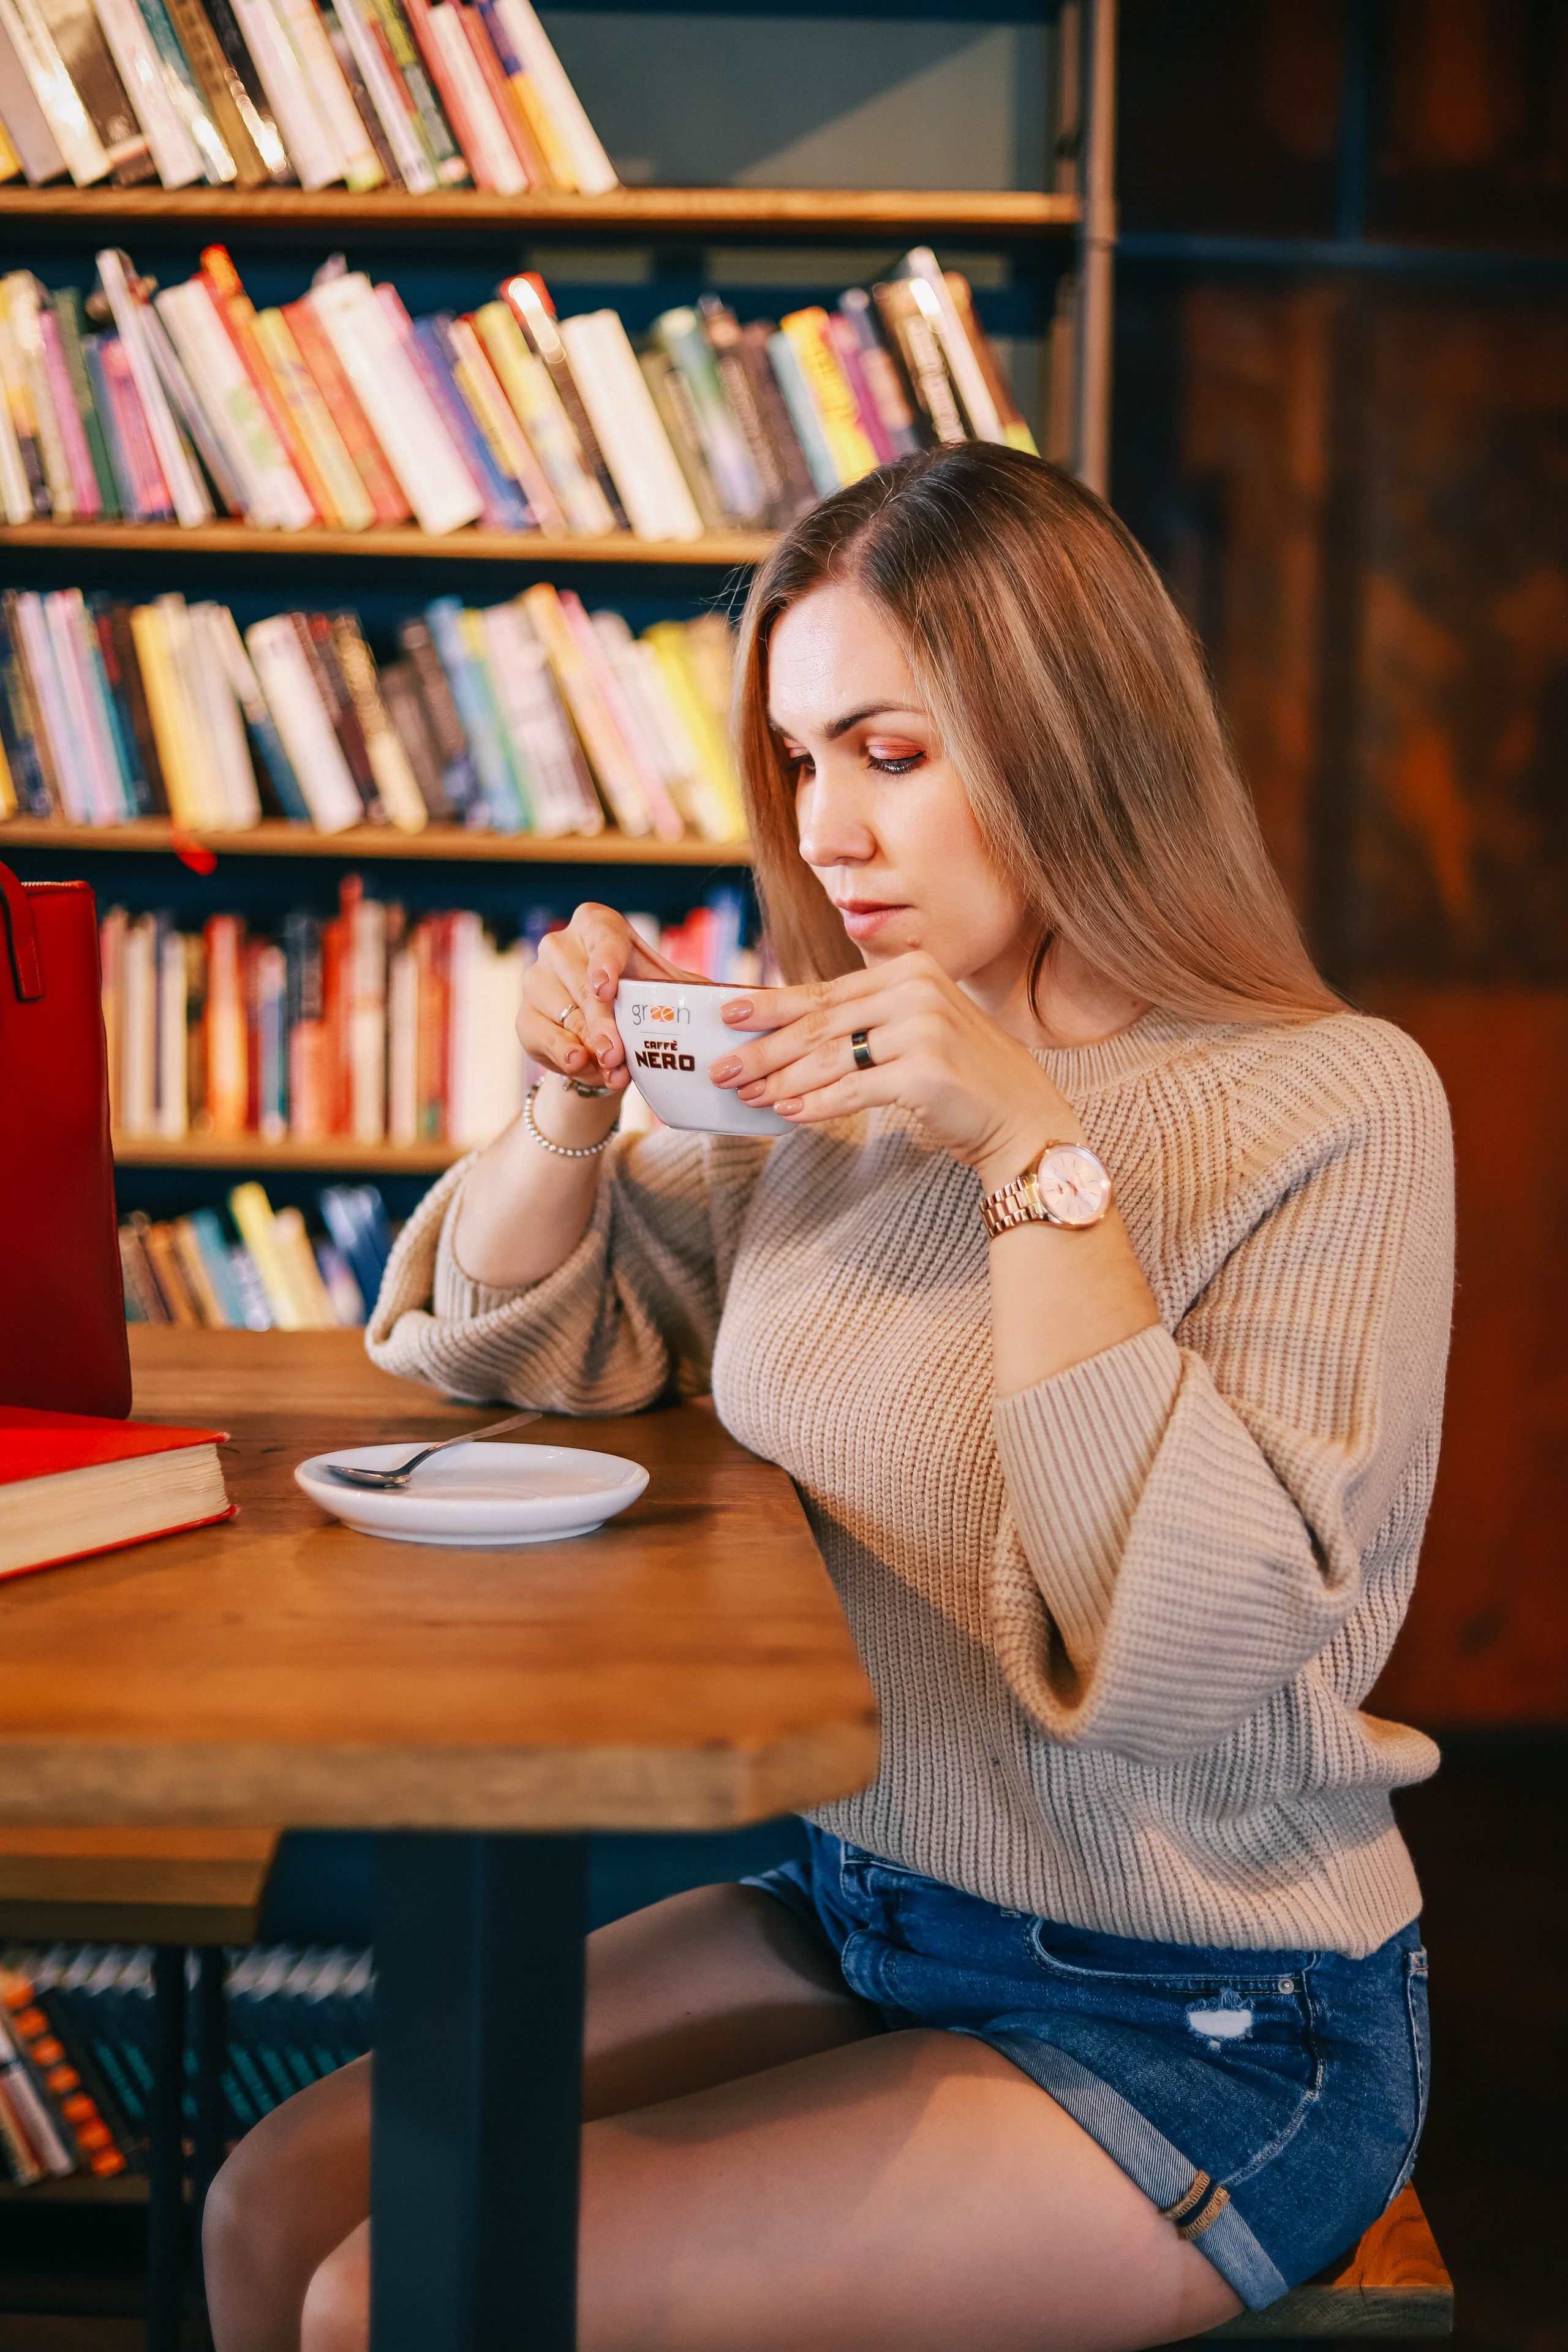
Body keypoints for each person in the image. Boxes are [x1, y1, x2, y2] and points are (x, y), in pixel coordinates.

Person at [203, 444, 1454, 2352]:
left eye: (891, 752)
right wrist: (570, 1106)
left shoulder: (1336, 1105)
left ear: (1073, 741)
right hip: (862, 1904)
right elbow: (519, 1341)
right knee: (268, 2204)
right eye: (800, 759)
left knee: (397, 2296)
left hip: (1204, 2005)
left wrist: (1031, 1156)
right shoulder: (826, 1076)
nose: (829, 828)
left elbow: (1191, 1657)